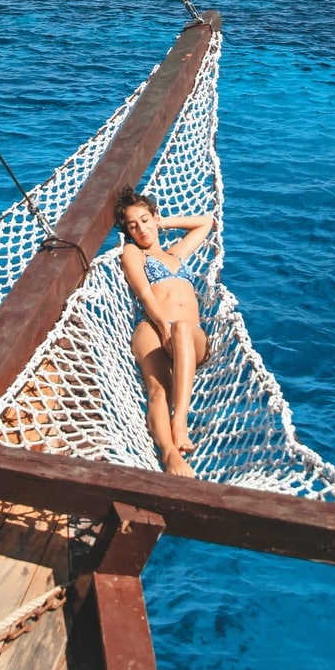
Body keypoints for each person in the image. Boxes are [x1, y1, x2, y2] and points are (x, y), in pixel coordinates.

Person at [116, 185, 214, 479]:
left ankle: (179, 421)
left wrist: (162, 222)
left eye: (145, 220)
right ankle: (170, 453)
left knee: (183, 327)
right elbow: (145, 295)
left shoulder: (177, 253)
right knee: (158, 391)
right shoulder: (133, 253)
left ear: (154, 217)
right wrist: (163, 327)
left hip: (190, 335)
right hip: (153, 327)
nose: (141, 229)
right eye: (133, 225)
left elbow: (206, 222)